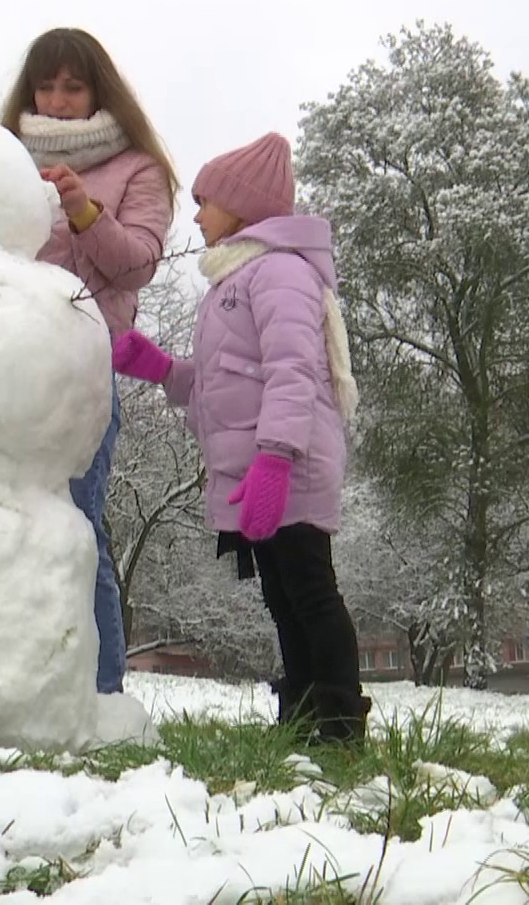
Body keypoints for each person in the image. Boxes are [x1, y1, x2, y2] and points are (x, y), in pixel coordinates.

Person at [109, 133, 369, 743]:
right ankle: (303, 718)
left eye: (204, 201)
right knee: (283, 597)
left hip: (287, 465)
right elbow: (228, 384)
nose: (196, 215)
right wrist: (165, 371)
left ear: (245, 206)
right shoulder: (236, 278)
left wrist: (275, 460)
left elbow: (293, 371)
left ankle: (337, 725)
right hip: (256, 467)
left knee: (310, 591)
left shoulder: (279, 272)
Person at [0, 28, 177, 695]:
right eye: (47, 85)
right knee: (2, 518)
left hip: (80, 362)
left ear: (99, 90)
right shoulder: (3, 158)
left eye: (74, 86)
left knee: (75, 520)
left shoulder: (137, 167)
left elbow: (136, 267)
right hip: (5, 361)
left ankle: (100, 694)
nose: (59, 99)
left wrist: (82, 209)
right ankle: (12, 681)